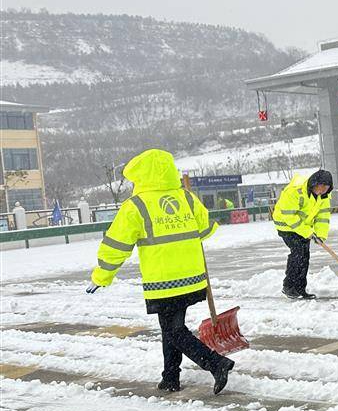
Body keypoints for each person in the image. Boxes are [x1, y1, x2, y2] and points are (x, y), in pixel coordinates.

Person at [88, 149, 234, 395]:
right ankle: (170, 377)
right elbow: (207, 229)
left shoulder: (136, 205)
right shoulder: (186, 197)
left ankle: (216, 363)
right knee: (173, 328)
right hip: (192, 278)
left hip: (164, 280)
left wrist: (102, 275)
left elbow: (117, 245)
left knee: (173, 330)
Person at [272, 169, 332, 300]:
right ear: (313, 183)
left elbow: (323, 217)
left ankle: (300, 289)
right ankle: (288, 287)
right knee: (298, 252)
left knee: (305, 256)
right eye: (320, 188)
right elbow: (289, 216)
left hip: (303, 227)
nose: (322, 191)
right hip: (286, 225)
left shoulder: (324, 197)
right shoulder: (296, 191)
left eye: (325, 189)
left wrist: (320, 235)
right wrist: (309, 232)